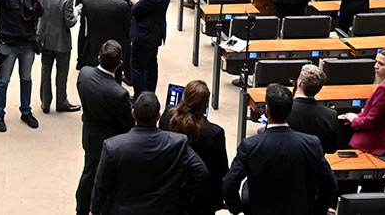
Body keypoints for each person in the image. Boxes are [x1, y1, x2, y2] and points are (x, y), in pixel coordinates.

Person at [223, 84, 337, 215]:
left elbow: (229, 184)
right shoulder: (311, 144)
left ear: (267, 109)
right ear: (290, 109)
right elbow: (330, 184)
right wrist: (317, 210)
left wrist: (238, 209)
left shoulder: (250, 146)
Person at [91, 92, 208, 215]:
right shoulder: (178, 142)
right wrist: (181, 199)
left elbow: (101, 186)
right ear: (158, 117)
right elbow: (201, 171)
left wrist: (94, 210)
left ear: (133, 114)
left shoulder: (113, 146)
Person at [75, 40, 133, 215]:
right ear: (120, 63)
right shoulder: (119, 94)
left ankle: (81, 209)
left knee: (88, 173)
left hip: (89, 136)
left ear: (99, 58)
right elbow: (127, 125)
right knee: (105, 180)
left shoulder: (84, 74)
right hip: (109, 143)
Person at [159, 80, 228, 215]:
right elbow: (221, 172)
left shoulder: (168, 116)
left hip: (169, 191)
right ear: (206, 105)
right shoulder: (214, 133)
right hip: (200, 200)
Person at [0, 0, 44, 132]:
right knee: (3, 80)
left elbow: (40, 12)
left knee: (26, 79)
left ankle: (26, 111)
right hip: (9, 44)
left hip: (27, 43)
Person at [339, 47, 385, 157]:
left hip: (376, 143)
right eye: (376, 62)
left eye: (381, 64)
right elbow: (377, 114)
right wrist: (353, 117)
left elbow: (370, 121)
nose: (375, 66)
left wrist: (354, 120)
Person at [36, 0, 80, 114]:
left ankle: (45, 102)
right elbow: (70, 22)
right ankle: (61, 102)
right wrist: (76, 13)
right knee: (61, 74)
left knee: (45, 71)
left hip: (44, 38)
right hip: (61, 41)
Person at [128, 0, 170, 97]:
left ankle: (140, 98)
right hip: (152, 33)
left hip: (145, 35)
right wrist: (138, 0)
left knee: (138, 68)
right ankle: (149, 96)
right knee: (150, 65)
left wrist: (136, 2)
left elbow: (135, 10)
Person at [79, 0, 130, 71]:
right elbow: (126, 28)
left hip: (93, 48)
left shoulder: (87, 1)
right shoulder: (122, 5)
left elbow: (84, 25)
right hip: (115, 49)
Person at [287, 64, 339, 154]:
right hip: (316, 161)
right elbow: (331, 149)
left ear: (299, 83)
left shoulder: (284, 110)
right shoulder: (331, 115)